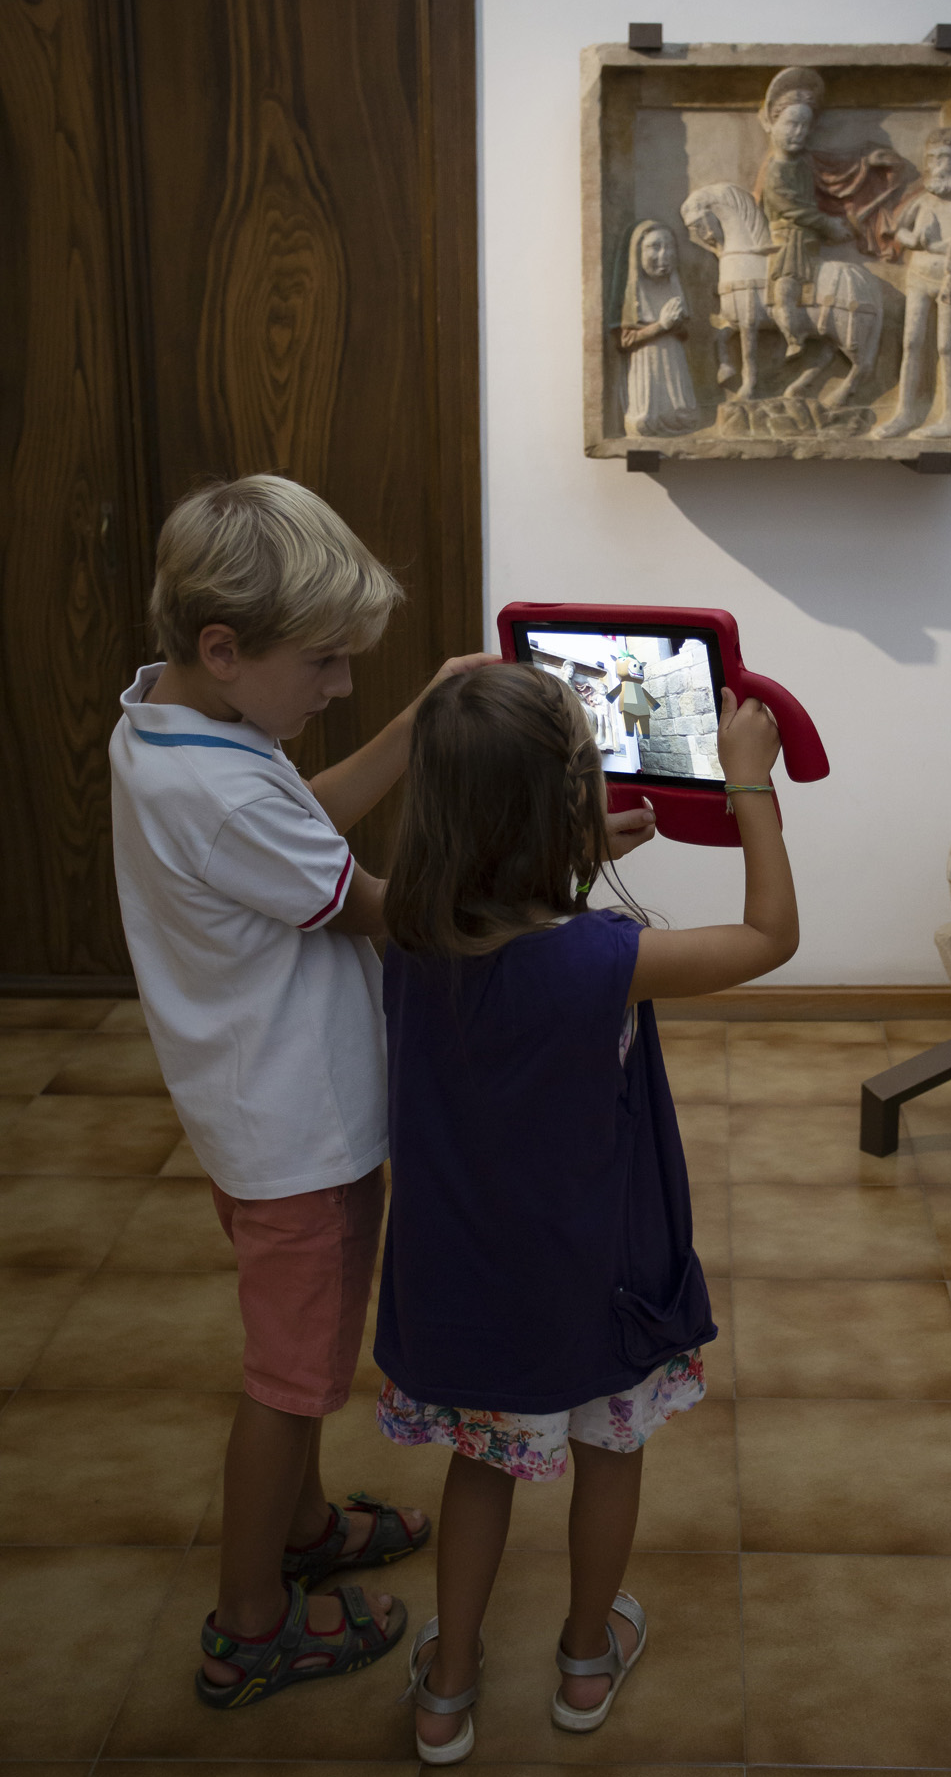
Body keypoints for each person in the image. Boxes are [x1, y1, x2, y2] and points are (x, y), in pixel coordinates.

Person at [109, 472, 662, 1710]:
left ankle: (302, 1527)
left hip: (247, 1110)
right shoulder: (220, 790)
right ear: (224, 648)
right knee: (292, 1376)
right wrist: (557, 850)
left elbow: (295, 822)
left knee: (293, 1354)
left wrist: (418, 724)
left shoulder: (168, 726)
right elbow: (389, 912)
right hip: (298, 1135)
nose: (343, 685)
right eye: (324, 662)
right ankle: (250, 1622)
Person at [372, 663, 798, 1762]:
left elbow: (493, 914)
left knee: (483, 1466)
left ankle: (447, 1690)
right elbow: (768, 936)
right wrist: (749, 784)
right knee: (610, 1453)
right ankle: (582, 1659)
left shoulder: (406, 931)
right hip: (594, 1280)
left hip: (466, 1283)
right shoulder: (608, 960)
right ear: (570, 799)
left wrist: (565, 852)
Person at [871, 126, 951, 441]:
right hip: (918, 278)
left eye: (944, 158)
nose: (936, 166)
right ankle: (905, 413)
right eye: (931, 159)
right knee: (912, 343)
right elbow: (898, 230)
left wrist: (940, 246)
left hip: (950, 280)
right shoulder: (923, 201)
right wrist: (914, 239)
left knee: (948, 346)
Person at [754, 67, 854, 360]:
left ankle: (801, 335)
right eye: (791, 124)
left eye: (805, 126)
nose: (799, 133)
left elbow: (832, 173)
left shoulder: (803, 163)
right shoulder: (775, 170)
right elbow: (791, 208)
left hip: (804, 243)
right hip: (787, 243)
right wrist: (827, 224)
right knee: (784, 289)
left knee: (788, 288)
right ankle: (793, 336)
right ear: (772, 123)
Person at [609, 219, 701, 436]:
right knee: (643, 424)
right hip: (645, 363)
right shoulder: (632, 292)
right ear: (637, 252)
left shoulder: (673, 285)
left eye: (669, 247)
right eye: (655, 247)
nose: (664, 255)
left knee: (687, 418)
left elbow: (683, 333)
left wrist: (675, 325)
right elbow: (625, 340)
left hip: (673, 361)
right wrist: (661, 325)